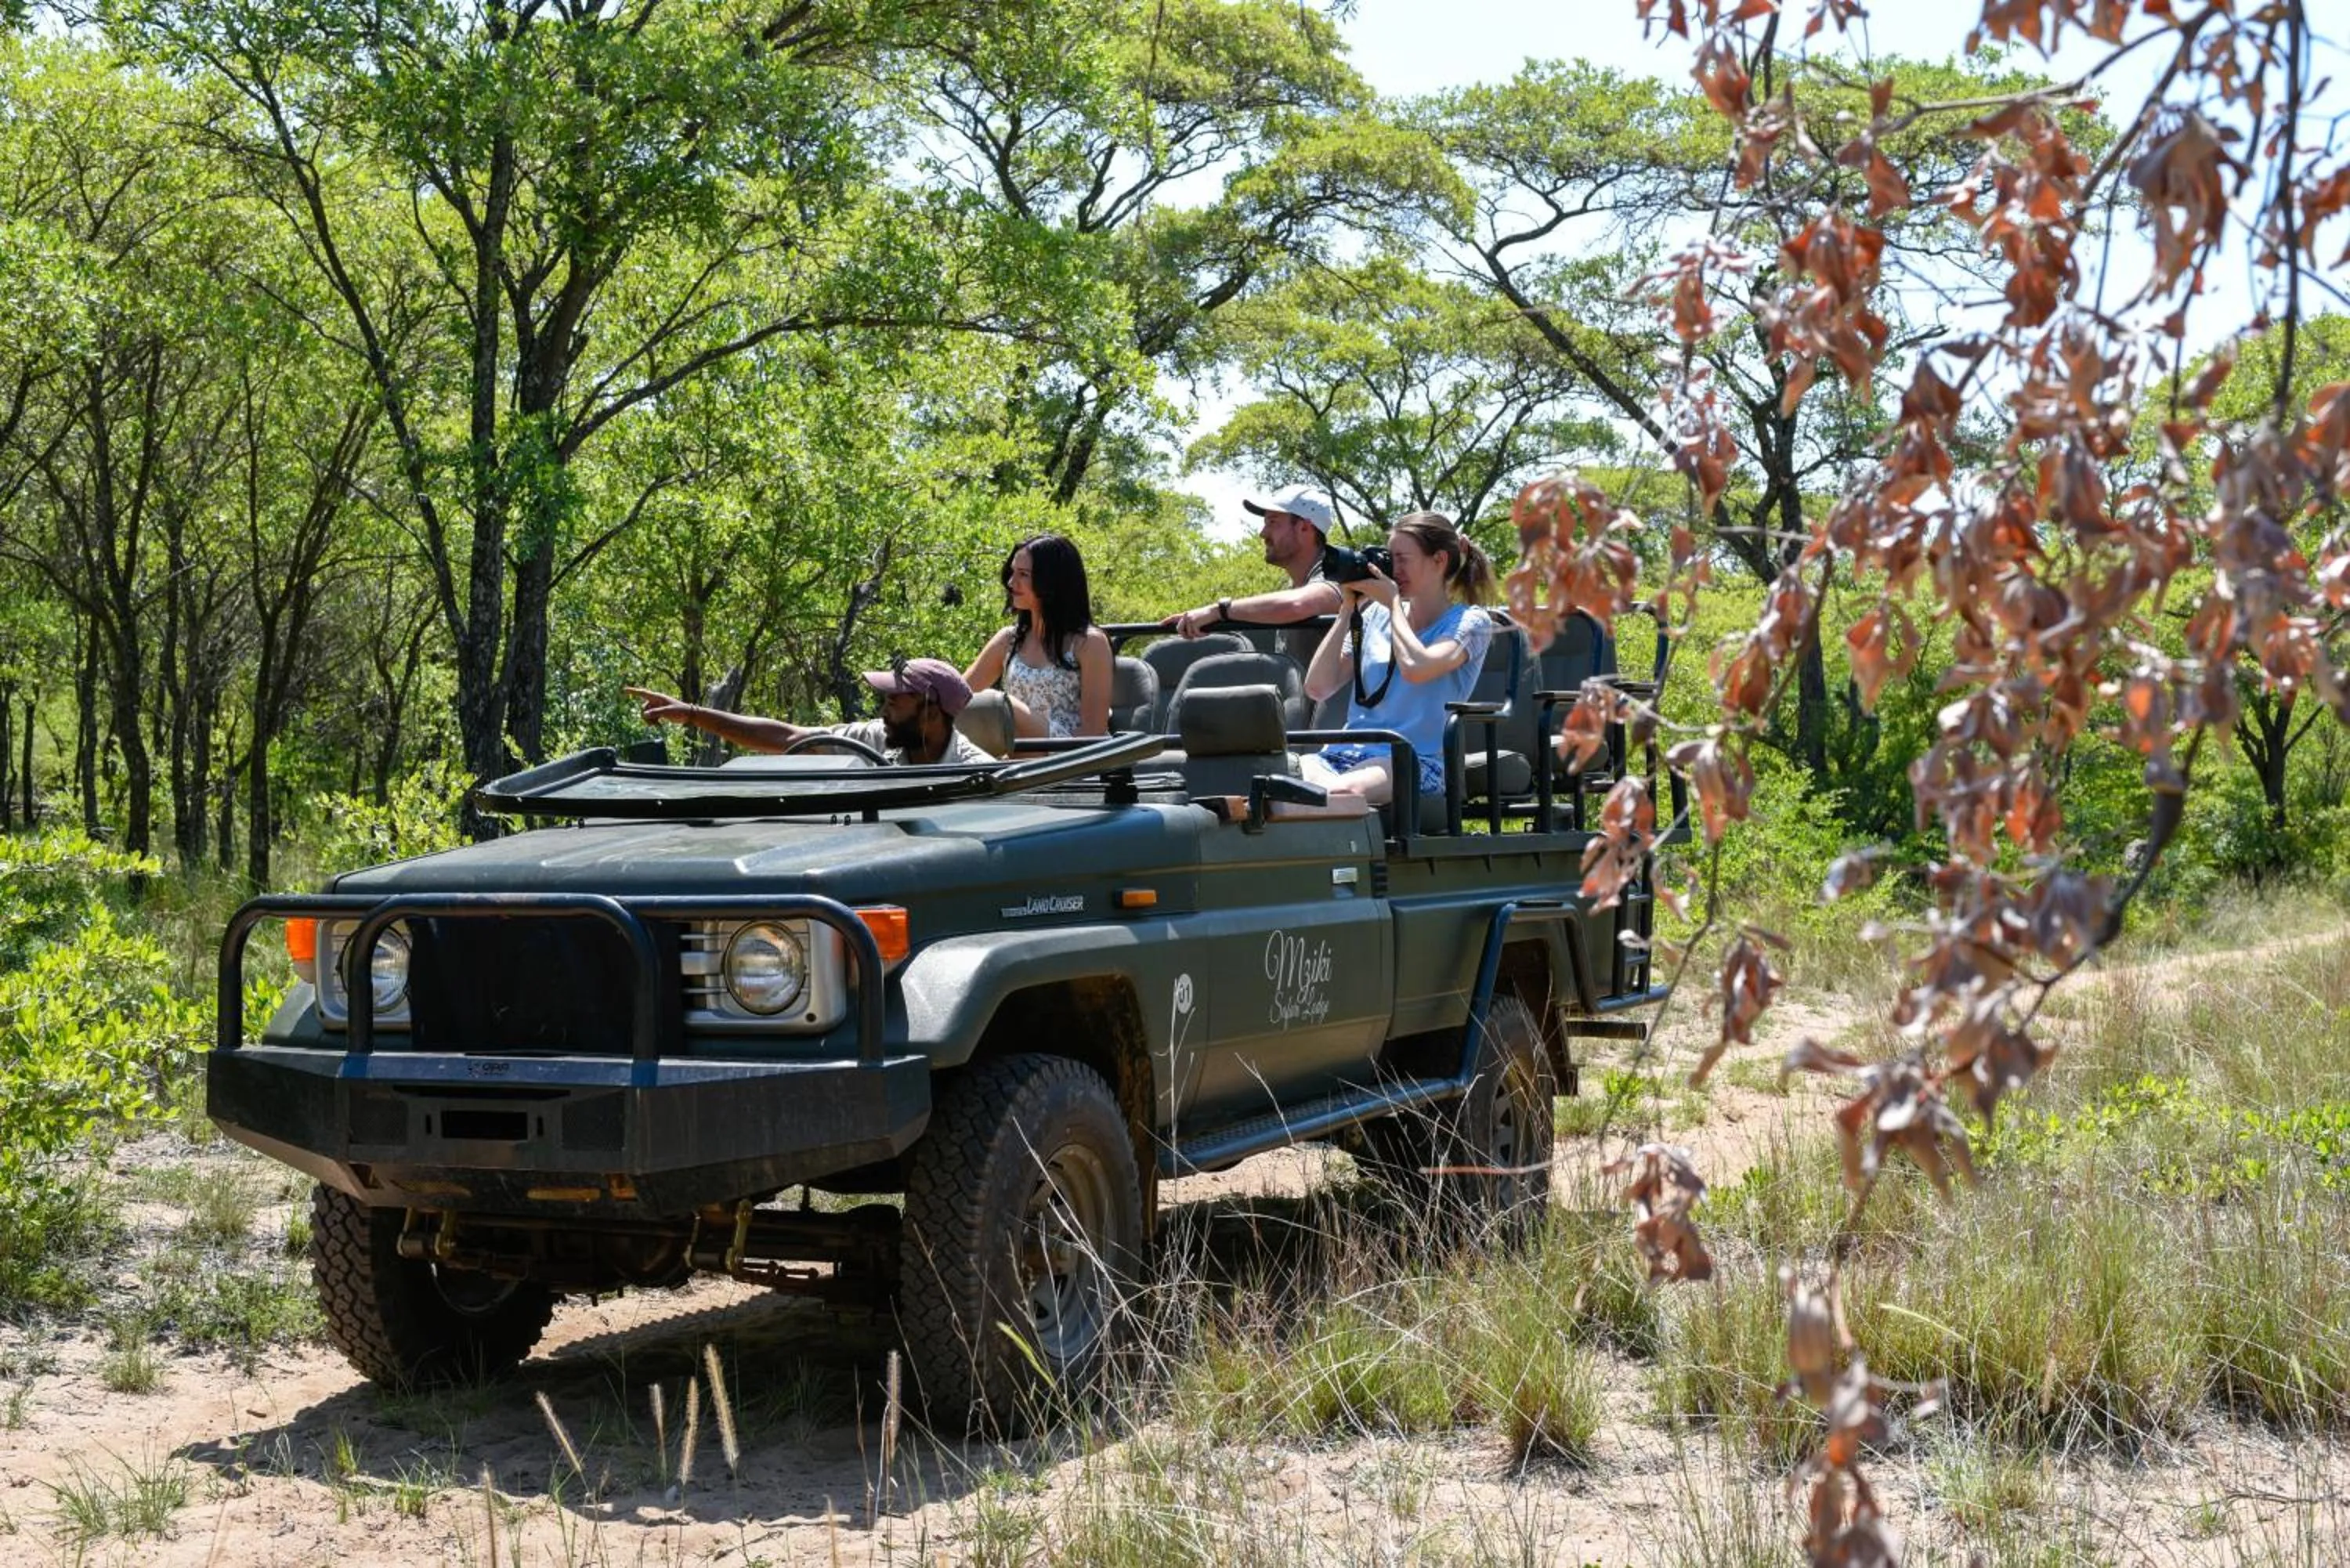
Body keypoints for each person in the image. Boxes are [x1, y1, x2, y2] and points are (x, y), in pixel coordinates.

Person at [1298, 511, 1496, 809]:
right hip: (1342, 756)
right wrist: (1347, 609)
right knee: (1283, 786)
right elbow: (1317, 687)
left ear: (1439, 560)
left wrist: (1393, 604)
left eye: (1403, 559)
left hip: (1416, 760)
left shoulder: (1472, 622)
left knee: (1340, 793)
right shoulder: (1375, 615)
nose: (1393, 569)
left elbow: (1417, 668)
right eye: (1390, 559)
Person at [624, 658, 995, 766]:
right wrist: (692, 713)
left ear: (930, 713)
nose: (883, 711)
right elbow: (789, 738)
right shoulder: (874, 739)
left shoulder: (976, 773)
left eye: (895, 702)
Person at [1162, 487, 1344, 667]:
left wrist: (1217, 611)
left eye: (1272, 522)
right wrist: (1203, 620)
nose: (1262, 533)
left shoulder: (1337, 575)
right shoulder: (1294, 586)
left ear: (1304, 527)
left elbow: (1297, 605)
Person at [964, 533, 1112, 739]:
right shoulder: (1009, 640)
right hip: (1011, 752)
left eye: (1023, 574)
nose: (1011, 582)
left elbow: (1094, 730)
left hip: (1070, 752)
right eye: (1012, 572)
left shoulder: (1089, 643)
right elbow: (958, 696)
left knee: (1000, 704)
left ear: (1052, 581)